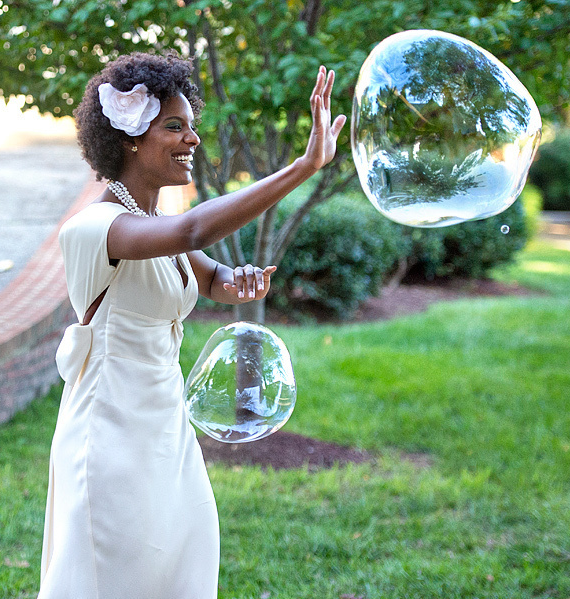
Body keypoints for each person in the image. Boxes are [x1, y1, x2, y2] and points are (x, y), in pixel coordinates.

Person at [39, 52, 345, 599]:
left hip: (165, 427)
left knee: (186, 562)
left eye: (192, 126)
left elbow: (208, 278)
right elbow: (193, 232)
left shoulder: (153, 223)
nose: (192, 140)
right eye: (174, 127)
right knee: (118, 577)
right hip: (110, 433)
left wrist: (239, 280)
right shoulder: (95, 227)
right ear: (130, 139)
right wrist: (301, 168)